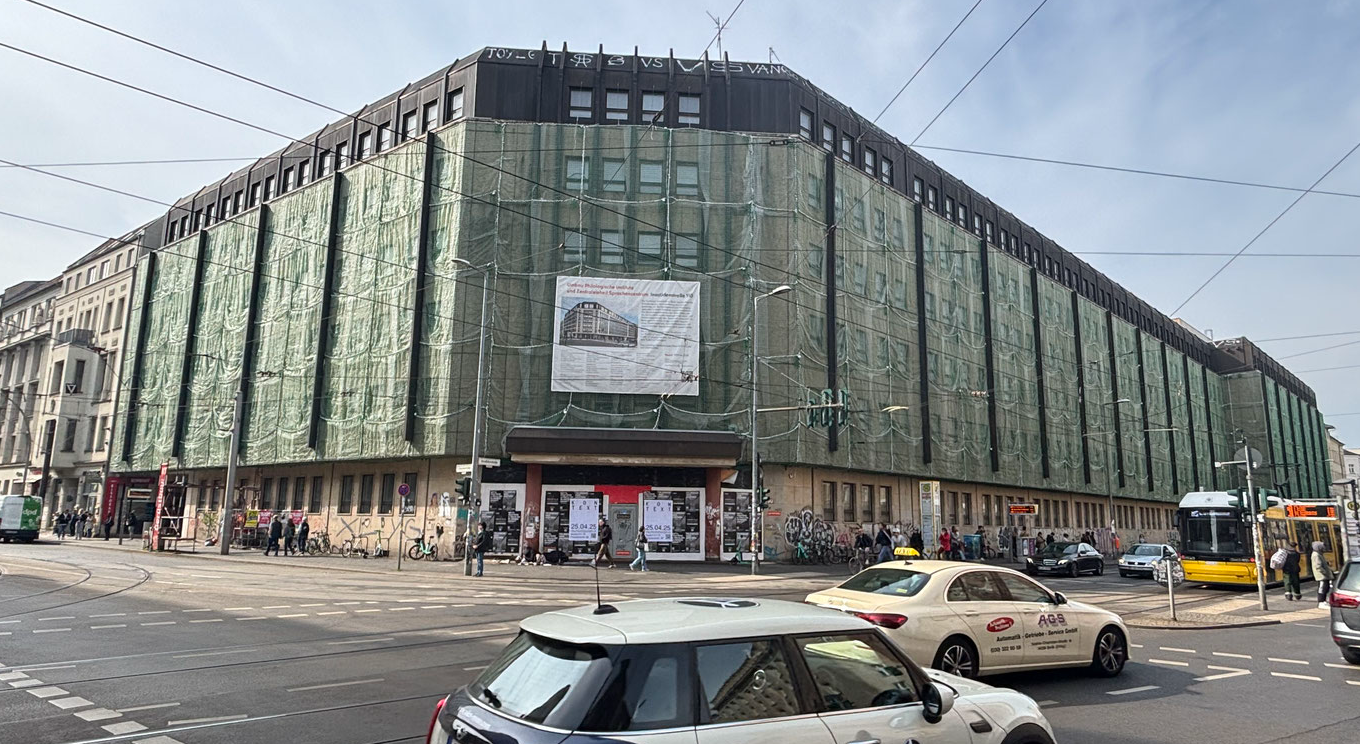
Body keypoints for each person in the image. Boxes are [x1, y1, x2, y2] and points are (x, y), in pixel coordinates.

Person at [1313, 541, 1334, 609]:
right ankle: (1321, 602)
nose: (1323, 548)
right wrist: (1325, 572)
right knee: (1322, 588)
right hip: (1321, 575)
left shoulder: (1319, 554)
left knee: (1326, 587)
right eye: (1322, 547)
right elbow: (1318, 566)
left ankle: (1323, 601)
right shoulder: (1316, 555)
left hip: (1324, 575)